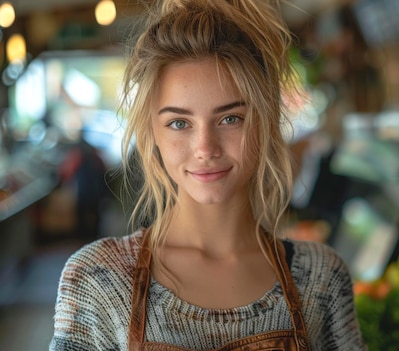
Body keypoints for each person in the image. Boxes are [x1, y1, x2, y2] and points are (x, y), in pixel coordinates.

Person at [49, 0, 367, 350]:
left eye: (230, 118)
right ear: (152, 134)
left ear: (264, 122)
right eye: (179, 123)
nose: (205, 147)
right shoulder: (98, 280)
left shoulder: (321, 279)